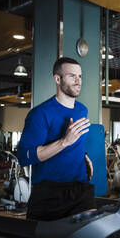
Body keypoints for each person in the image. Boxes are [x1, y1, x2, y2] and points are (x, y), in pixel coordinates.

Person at [17, 57, 95, 221]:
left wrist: (84, 155)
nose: (78, 81)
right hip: (50, 195)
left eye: (80, 76)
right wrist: (64, 141)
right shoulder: (40, 114)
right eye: (72, 76)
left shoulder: (82, 110)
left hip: (81, 189)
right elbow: (24, 156)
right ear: (57, 79)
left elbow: (76, 141)